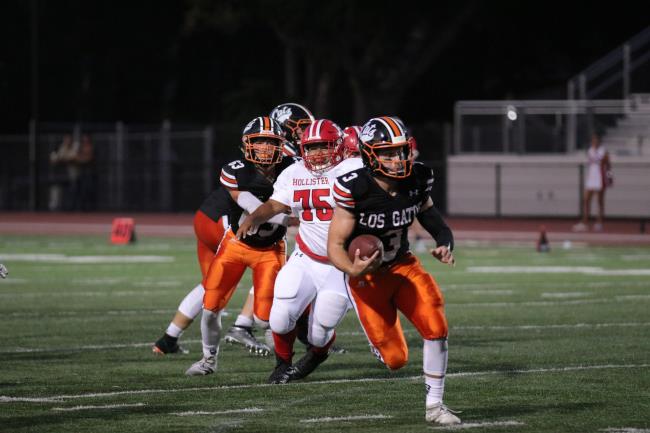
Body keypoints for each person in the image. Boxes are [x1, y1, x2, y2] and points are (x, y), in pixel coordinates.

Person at [327, 116, 461, 426]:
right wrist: (352, 268)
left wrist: (444, 244)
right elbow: (334, 245)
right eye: (387, 152)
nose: (397, 159)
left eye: (400, 151)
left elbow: (434, 220)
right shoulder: (355, 187)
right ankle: (380, 343)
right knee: (396, 360)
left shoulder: (417, 178)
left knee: (436, 325)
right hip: (367, 278)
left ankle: (435, 406)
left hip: (403, 265)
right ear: (369, 154)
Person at [236, 119, 363, 384]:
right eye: (312, 147)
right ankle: (282, 364)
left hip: (340, 264)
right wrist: (254, 218)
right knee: (279, 317)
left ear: (339, 146)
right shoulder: (294, 172)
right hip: (305, 257)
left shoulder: (355, 169)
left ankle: (316, 355)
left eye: (324, 146)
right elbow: (275, 204)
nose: (317, 153)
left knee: (320, 330)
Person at [185, 116, 296, 376]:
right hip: (235, 244)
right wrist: (289, 218)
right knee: (210, 308)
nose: (265, 148)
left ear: (281, 145)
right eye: (259, 142)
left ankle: (286, 359)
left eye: (270, 142)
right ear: (247, 144)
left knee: (265, 319)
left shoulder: (292, 169)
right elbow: (250, 204)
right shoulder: (236, 170)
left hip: (271, 249)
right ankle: (208, 360)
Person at [573, 133, 611, 232]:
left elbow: (608, 165)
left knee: (600, 201)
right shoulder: (590, 150)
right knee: (586, 199)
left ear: (599, 141)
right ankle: (585, 222)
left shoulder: (604, 151)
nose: (594, 142)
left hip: (600, 178)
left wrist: (608, 177)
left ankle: (599, 223)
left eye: (596, 140)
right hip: (592, 178)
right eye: (593, 140)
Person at [48, 134, 77, 211]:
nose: (68, 141)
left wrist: (62, 159)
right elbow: (53, 160)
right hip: (58, 174)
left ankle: (69, 207)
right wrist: (62, 159)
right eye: (66, 140)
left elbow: (72, 158)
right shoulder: (59, 148)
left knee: (69, 192)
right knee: (56, 191)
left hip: (69, 175)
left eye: (69, 140)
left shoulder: (73, 147)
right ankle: (54, 208)